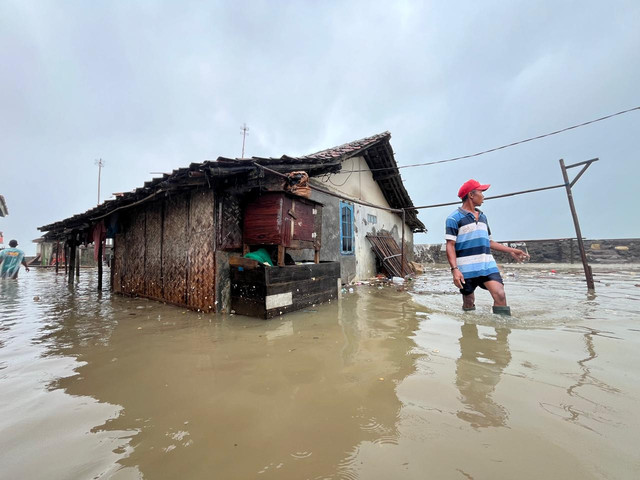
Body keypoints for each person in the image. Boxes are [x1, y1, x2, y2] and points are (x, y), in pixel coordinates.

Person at [445, 180, 528, 315]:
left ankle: (502, 332)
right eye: (481, 192)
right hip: (466, 268)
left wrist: (512, 250)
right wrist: (455, 270)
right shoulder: (454, 218)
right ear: (471, 195)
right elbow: (450, 245)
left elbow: (489, 242)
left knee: (500, 294)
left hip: (487, 265)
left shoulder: (483, 217)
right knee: (469, 301)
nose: (483, 196)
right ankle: (469, 332)